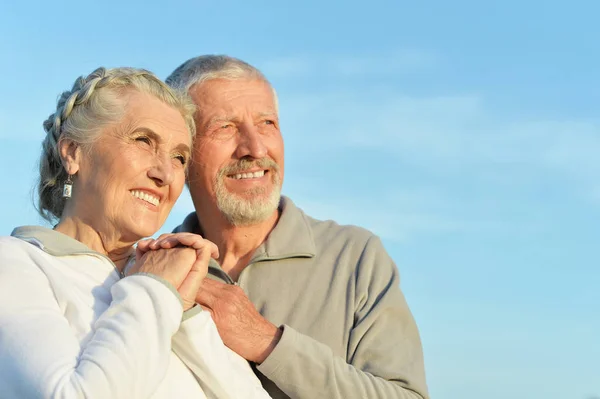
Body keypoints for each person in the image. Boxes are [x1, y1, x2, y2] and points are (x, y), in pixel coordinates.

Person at [160, 55, 430, 398]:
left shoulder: (356, 257)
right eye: (225, 127)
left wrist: (266, 342)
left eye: (267, 123)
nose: (255, 148)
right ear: (181, 155)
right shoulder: (154, 271)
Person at [0, 67, 271, 398]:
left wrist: (184, 310)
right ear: (73, 152)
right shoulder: (14, 262)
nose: (165, 173)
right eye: (144, 140)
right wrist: (152, 289)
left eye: (179, 157)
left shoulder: (169, 280)